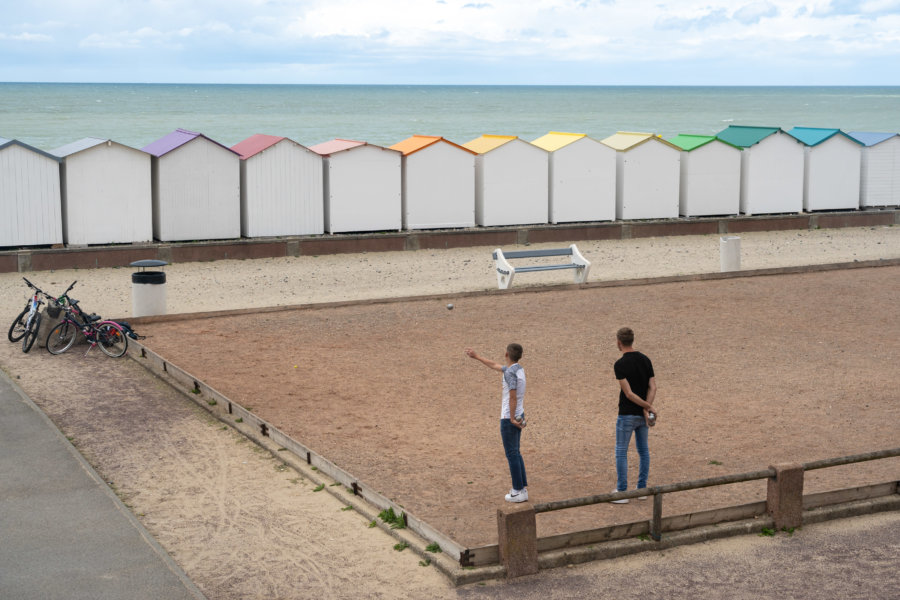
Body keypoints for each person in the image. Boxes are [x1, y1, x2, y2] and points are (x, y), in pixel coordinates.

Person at [465, 343, 528, 503]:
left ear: (506, 354)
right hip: (519, 413)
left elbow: (512, 397)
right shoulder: (518, 370)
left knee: (512, 454)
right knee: (516, 452)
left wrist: (512, 419)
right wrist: (477, 356)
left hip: (509, 417)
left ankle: (517, 490)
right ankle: (522, 488)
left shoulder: (510, 374)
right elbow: (494, 365)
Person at [611, 327, 657, 504]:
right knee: (643, 450)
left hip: (627, 414)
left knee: (621, 451)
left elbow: (629, 394)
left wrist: (646, 407)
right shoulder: (645, 360)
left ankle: (622, 492)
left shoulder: (620, 364)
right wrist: (648, 408)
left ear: (619, 342)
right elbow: (653, 387)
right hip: (642, 416)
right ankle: (641, 488)